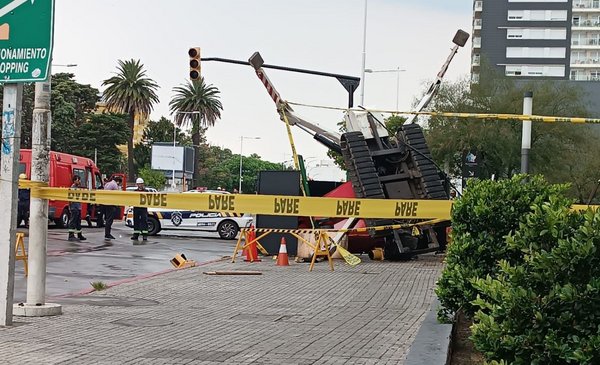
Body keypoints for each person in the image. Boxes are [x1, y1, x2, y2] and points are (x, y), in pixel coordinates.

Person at [68, 175, 86, 242]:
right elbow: (70, 199)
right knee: (73, 222)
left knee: (78, 222)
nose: (79, 181)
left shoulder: (77, 188)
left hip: (78, 207)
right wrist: (70, 207)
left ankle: (79, 235)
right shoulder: (72, 188)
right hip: (74, 207)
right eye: (78, 180)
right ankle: (71, 236)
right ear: (75, 180)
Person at [103, 175, 122, 240]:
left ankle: (107, 233)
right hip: (111, 204)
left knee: (108, 219)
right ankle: (107, 234)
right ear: (118, 181)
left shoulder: (108, 183)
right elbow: (118, 194)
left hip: (105, 203)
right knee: (109, 220)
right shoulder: (114, 185)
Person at [131, 177, 149, 241]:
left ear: (143, 184)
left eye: (141, 184)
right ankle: (136, 235)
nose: (139, 185)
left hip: (143, 208)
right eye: (138, 184)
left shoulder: (146, 191)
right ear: (137, 184)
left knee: (144, 221)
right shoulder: (135, 192)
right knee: (136, 221)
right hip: (136, 208)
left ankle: (145, 235)